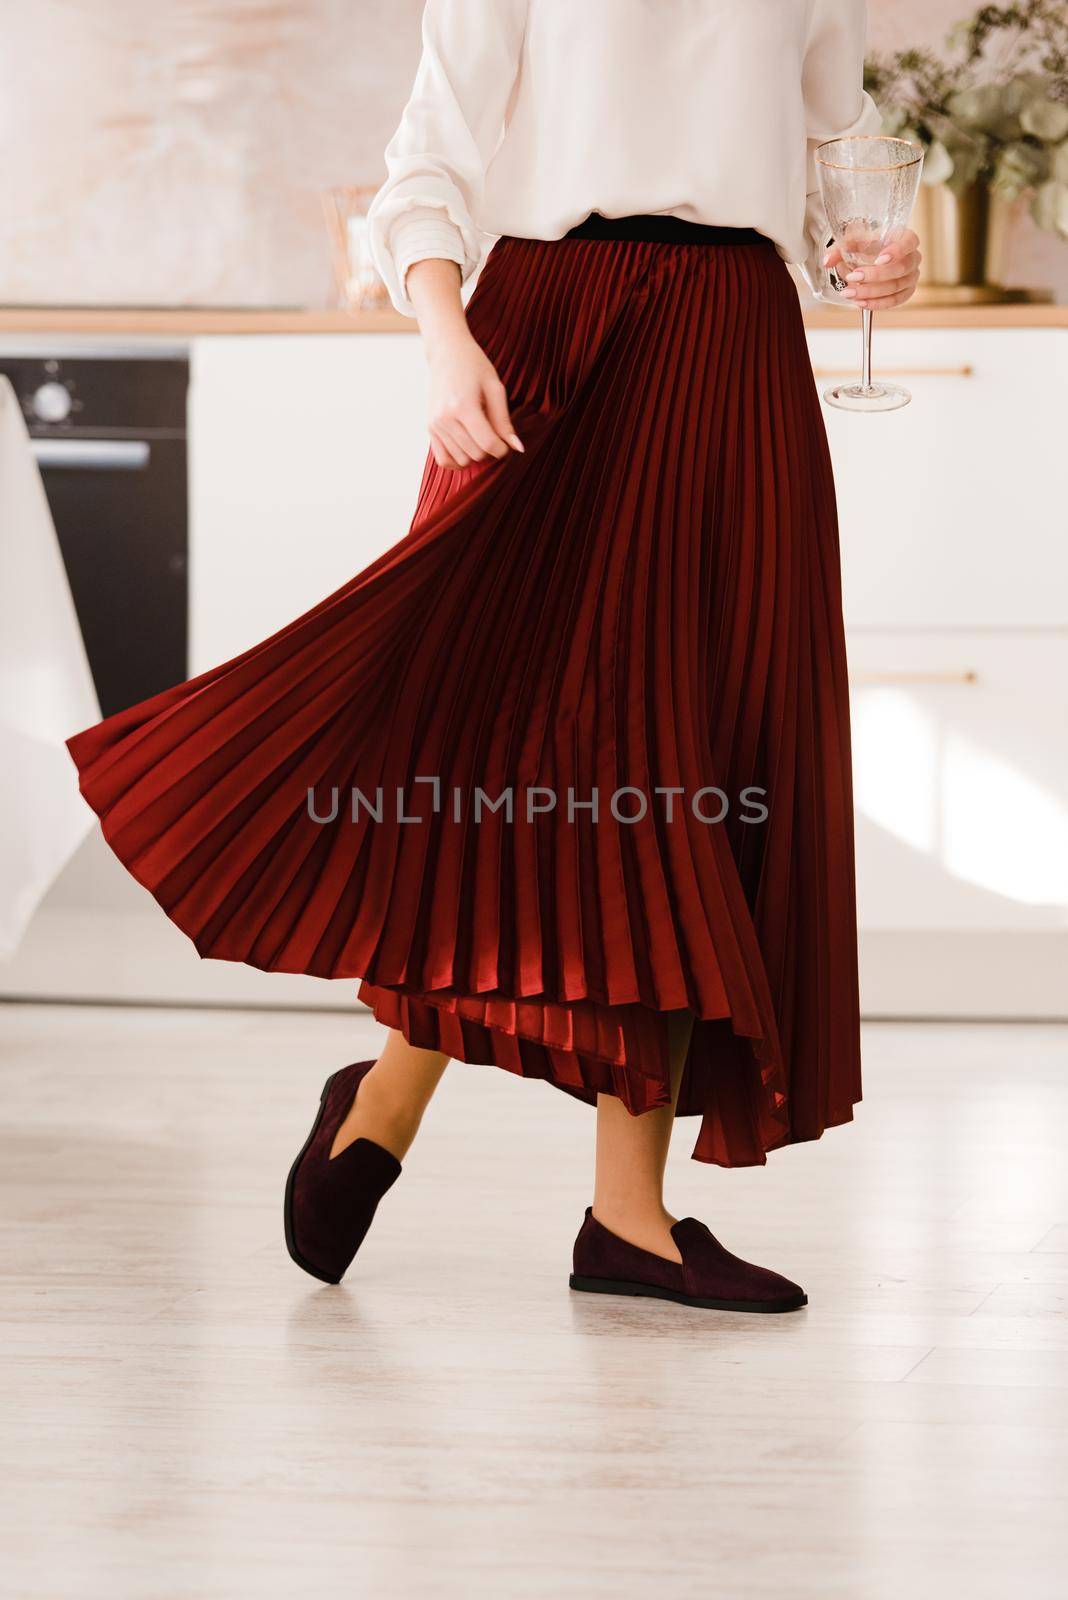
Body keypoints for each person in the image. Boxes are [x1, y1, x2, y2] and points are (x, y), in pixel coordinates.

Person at [67, 0, 920, 1313]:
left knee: (688, 756)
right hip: (548, 338)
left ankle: (621, 1214)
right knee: (503, 743)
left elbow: (827, 149)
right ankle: (392, 1098)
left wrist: (870, 250)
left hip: (736, 347)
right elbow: (430, 159)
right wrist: (444, 338)